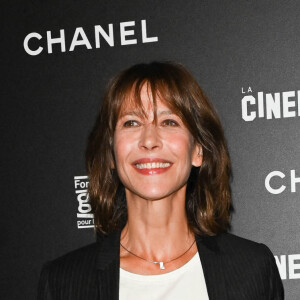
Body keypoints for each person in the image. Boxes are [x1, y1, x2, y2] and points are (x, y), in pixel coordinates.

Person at [37, 61, 284, 300]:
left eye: (169, 122)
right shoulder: (63, 282)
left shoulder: (252, 268)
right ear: (111, 153)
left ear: (198, 150)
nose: (149, 139)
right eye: (131, 122)